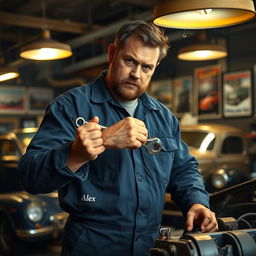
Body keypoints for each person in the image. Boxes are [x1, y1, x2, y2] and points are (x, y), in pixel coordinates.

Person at [18, 20, 218, 256]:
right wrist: (78, 152)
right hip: (91, 245)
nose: (136, 74)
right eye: (130, 61)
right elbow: (29, 176)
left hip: (150, 245)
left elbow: (183, 169)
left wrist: (196, 202)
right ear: (112, 53)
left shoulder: (164, 118)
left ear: (156, 67)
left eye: (147, 67)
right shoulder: (70, 107)